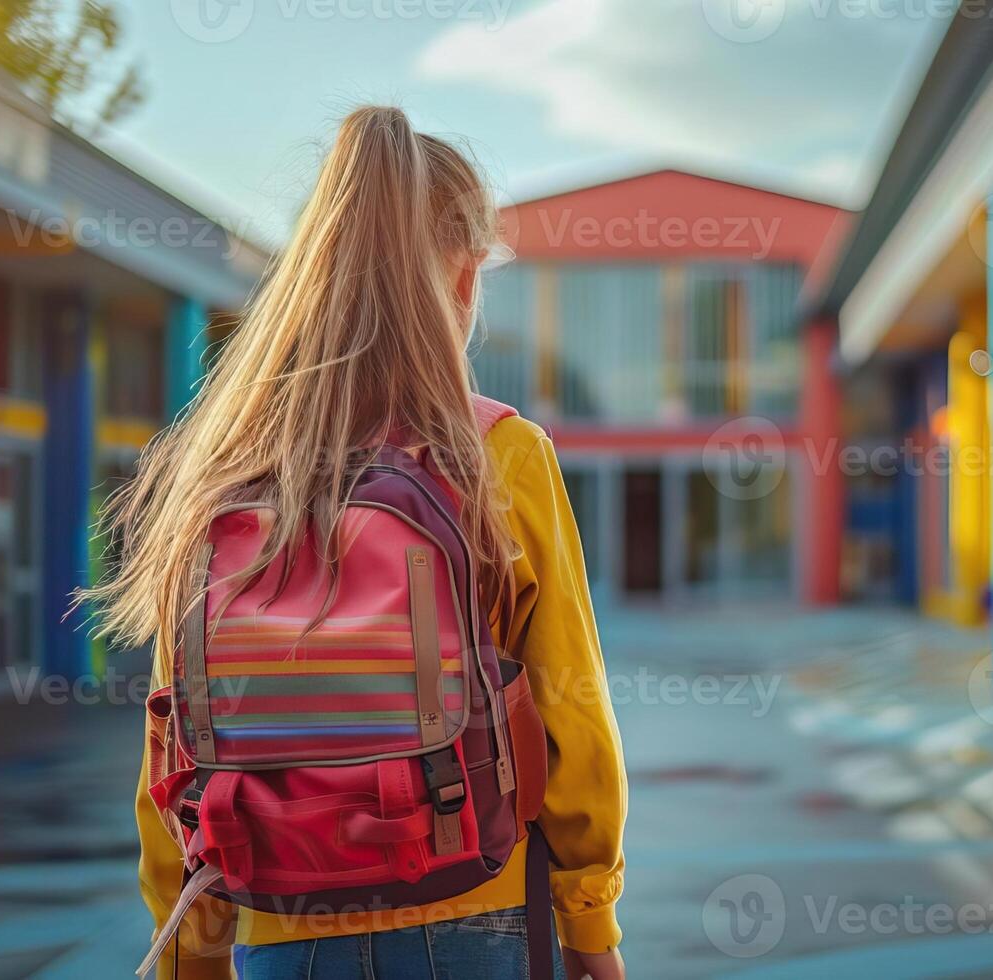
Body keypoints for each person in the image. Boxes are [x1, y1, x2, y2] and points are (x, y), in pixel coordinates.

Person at [83, 106, 628, 980]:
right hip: (471, 903)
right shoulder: (500, 455)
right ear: (462, 276)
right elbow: (572, 715)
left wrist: (195, 946)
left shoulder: (225, 464)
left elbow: (174, 732)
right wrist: (591, 930)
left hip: (278, 915)